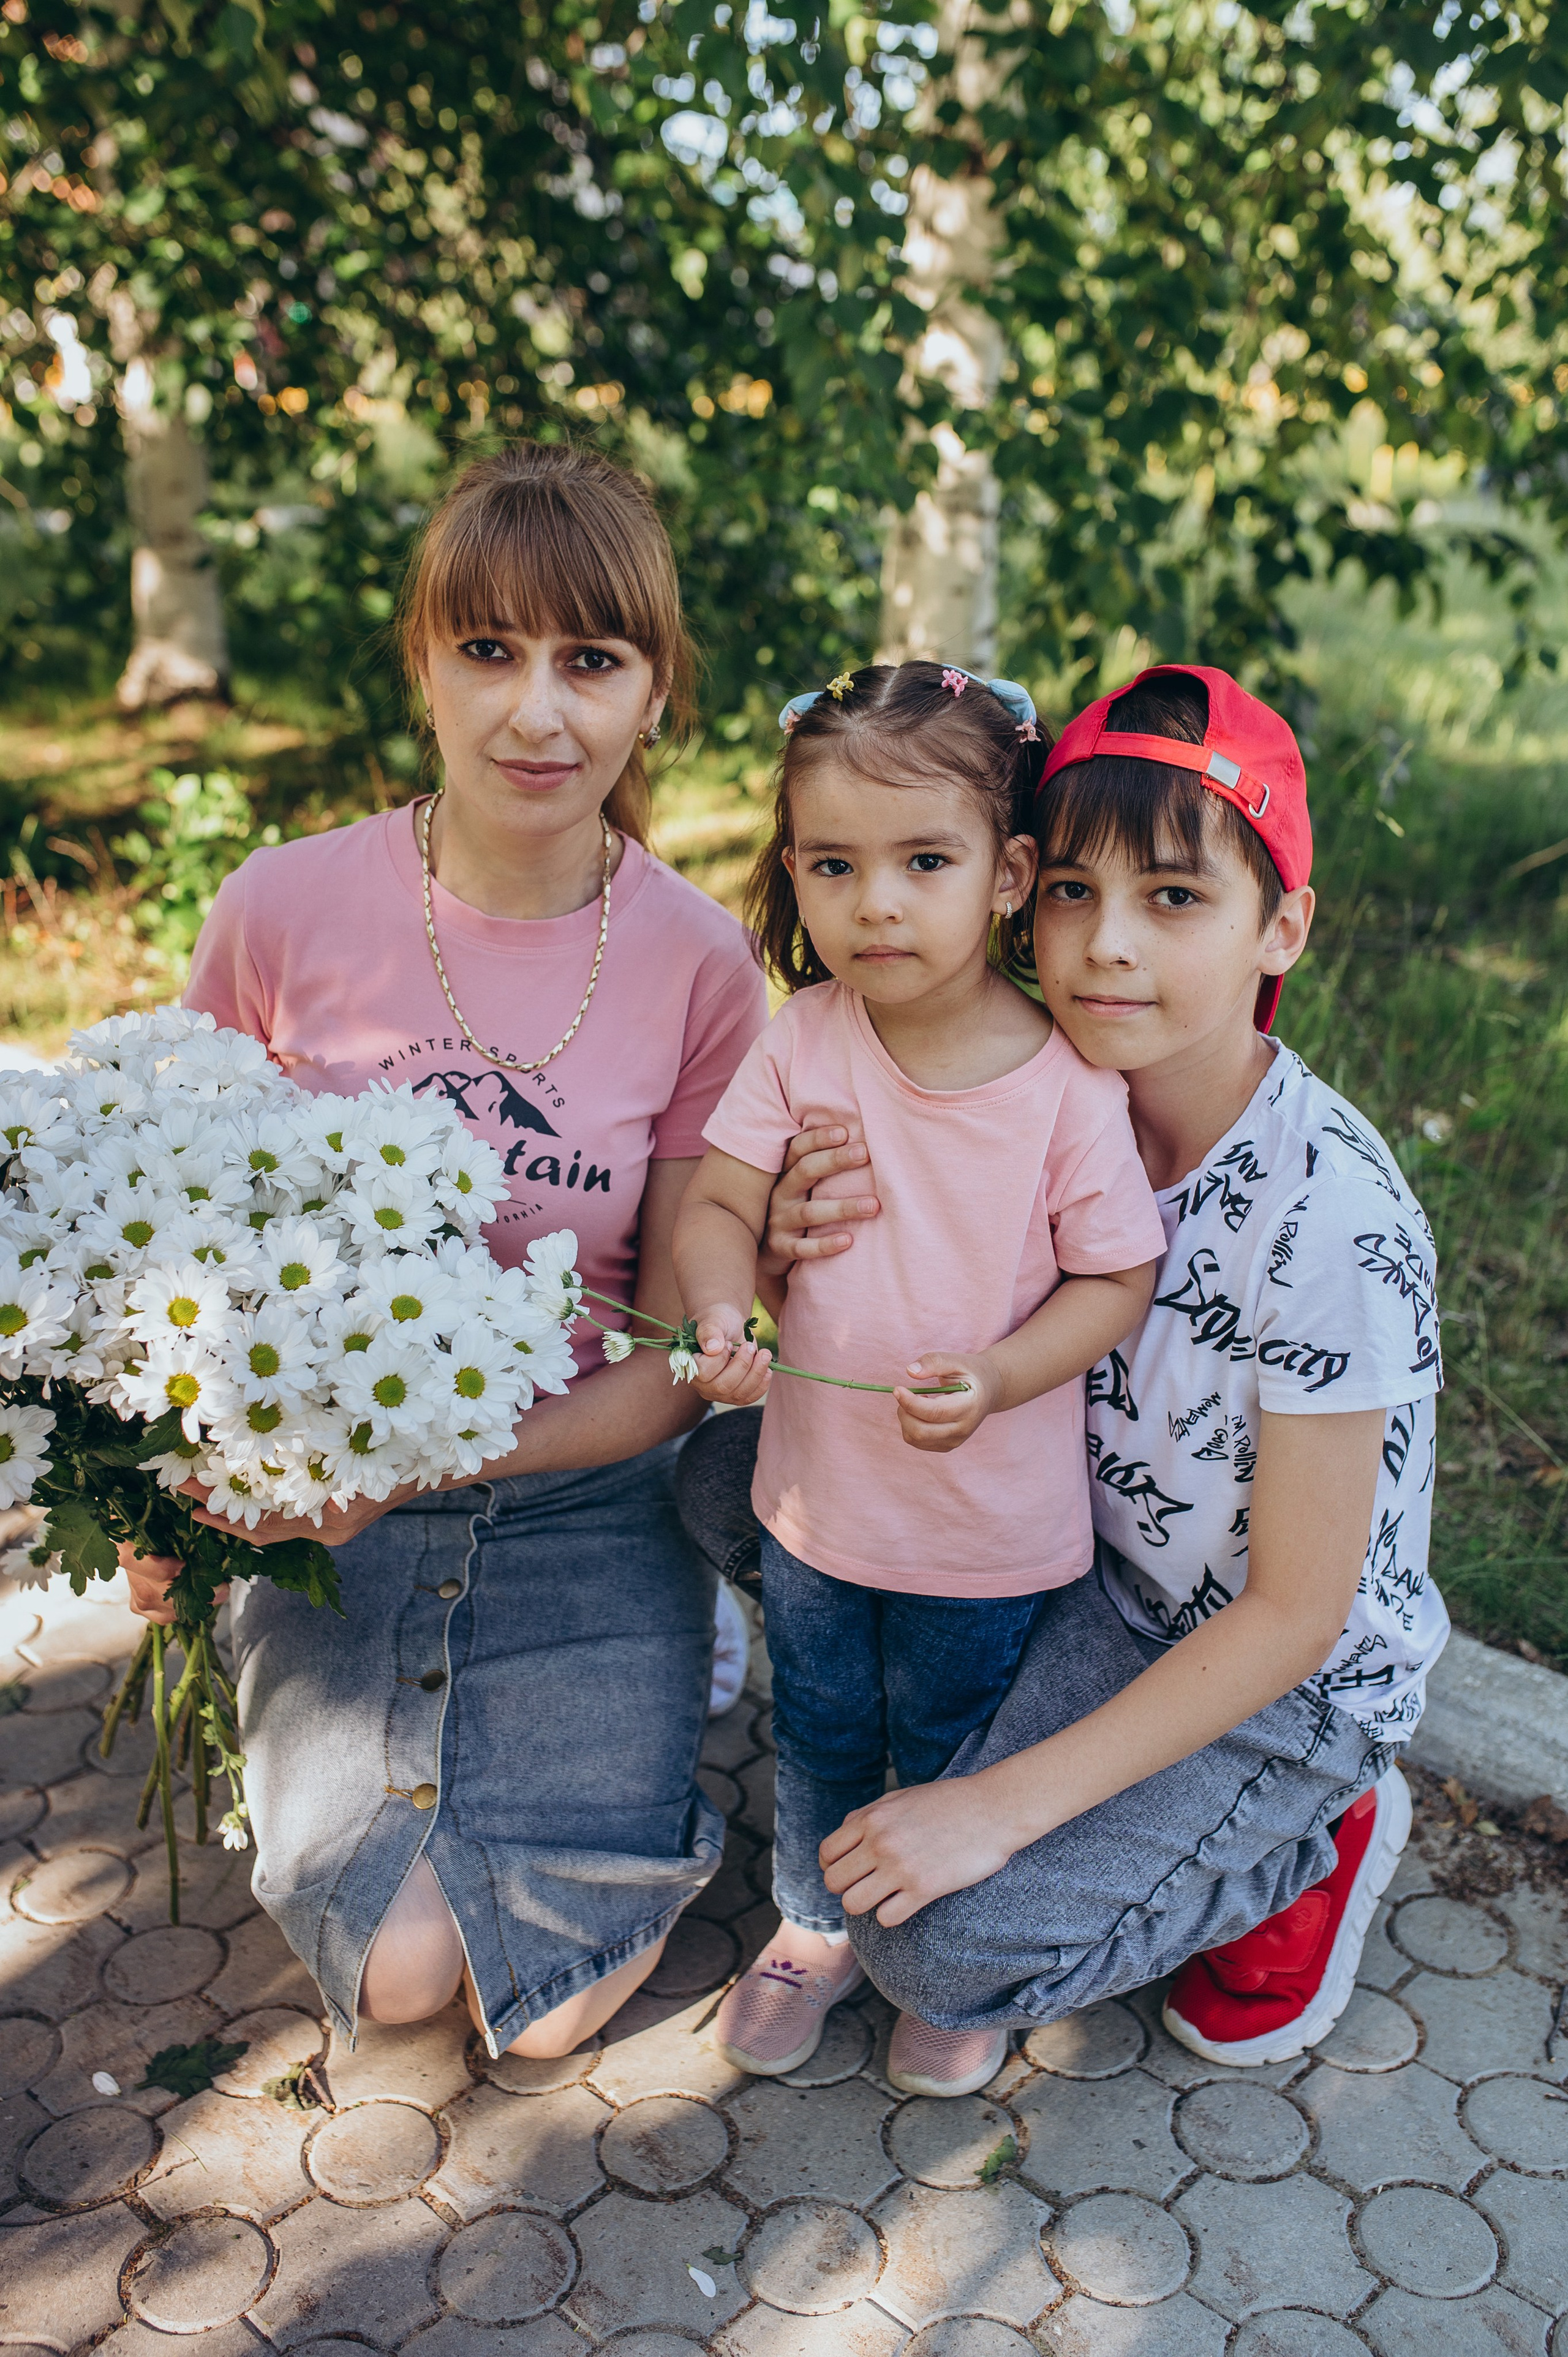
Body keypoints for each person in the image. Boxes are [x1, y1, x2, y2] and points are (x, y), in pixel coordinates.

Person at [680, 663, 1447, 2089]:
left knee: (942, 1946)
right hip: (1073, 1559)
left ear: (1279, 923)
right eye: (1075, 892)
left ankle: (1306, 1837)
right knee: (735, 1479)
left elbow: (1294, 1611)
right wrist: (777, 1256)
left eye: (1173, 899)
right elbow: (870, 1290)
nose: (1102, 945)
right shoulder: (1042, 1092)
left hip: (1265, 1664)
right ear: (1021, 889)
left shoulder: (1330, 1218)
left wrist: (992, 1810)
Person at [121, 442, 769, 2059]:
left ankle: (674, 1659)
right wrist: (181, 1499)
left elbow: (681, 1357)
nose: (535, 714)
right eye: (488, 651)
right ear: (421, 662)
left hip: (584, 1486)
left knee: (538, 2021)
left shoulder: (698, 965)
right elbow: (168, 1257)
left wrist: (408, 1474)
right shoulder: (281, 912)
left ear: (652, 692)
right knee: (407, 1977)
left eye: (590, 660)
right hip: (327, 1511)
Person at [671, 660, 1165, 2094]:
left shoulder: (1068, 1088)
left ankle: (947, 1950)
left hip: (984, 1530)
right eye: (833, 865)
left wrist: (1007, 1373)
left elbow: (1113, 1280)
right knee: (820, 1718)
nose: (873, 902)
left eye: (922, 862)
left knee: (947, 1741)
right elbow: (717, 1203)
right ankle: (814, 1922)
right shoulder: (806, 1037)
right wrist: (722, 1307)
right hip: (818, 1508)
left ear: (1008, 875)